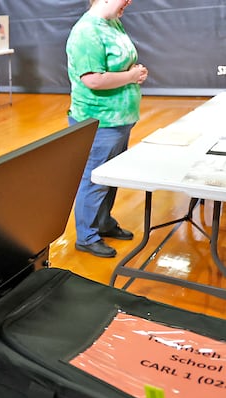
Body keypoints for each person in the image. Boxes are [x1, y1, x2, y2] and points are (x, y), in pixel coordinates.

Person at [66, 0, 148, 258]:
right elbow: (92, 79)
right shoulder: (85, 32)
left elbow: (119, 63)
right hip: (100, 121)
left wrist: (134, 71)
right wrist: (131, 77)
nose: (129, 1)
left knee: (109, 177)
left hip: (120, 119)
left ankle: (103, 223)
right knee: (95, 180)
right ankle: (87, 237)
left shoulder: (113, 23)